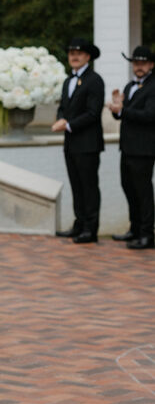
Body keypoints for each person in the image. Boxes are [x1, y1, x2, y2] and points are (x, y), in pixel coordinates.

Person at [52, 38, 104, 244]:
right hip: (71, 143)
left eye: (79, 53)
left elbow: (93, 112)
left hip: (88, 143)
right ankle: (79, 224)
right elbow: (63, 107)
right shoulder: (67, 81)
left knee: (89, 186)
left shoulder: (95, 80)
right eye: (71, 53)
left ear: (87, 57)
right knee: (76, 185)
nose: (74, 56)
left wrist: (68, 124)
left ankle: (91, 229)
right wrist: (60, 119)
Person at [108, 45, 155, 250]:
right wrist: (117, 108)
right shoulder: (129, 86)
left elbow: (149, 116)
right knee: (129, 188)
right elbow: (123, 115)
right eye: (136, 63)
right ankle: (134, 228)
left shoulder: (154, 86)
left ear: (151, 65)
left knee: (143, 191)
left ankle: (147, 234)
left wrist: (123, 110)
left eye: (143, 63)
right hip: (127, 147)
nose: (139, 67)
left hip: (144, 149)